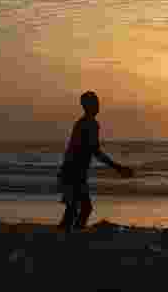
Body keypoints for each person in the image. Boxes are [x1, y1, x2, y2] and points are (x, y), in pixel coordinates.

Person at [57, 91, 134, 233]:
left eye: (97, 102)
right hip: (74, 172)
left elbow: (85, 150)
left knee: (74, 209)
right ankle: (71, 235)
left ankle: (67, 235)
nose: (98, 105)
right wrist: (118, 167)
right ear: (89, 106)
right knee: (82, 208)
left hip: (72, 171)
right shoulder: (90, 124)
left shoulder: (82, 123)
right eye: (95, 103)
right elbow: (95, 151)